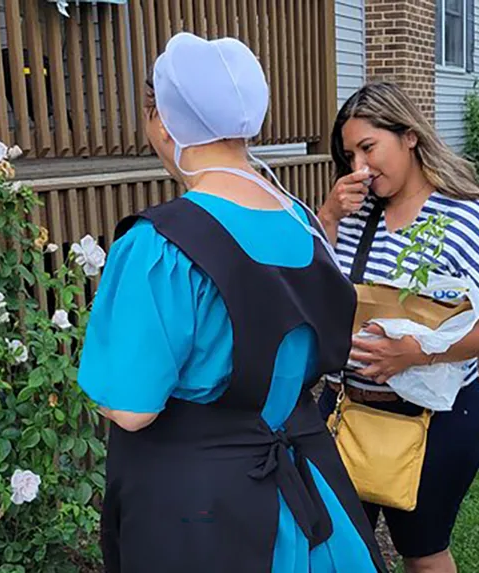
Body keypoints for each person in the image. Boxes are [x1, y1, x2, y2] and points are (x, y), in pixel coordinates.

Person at [77, 33, 387, 573]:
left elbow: (130, 410)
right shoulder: (304, 224)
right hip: (307, 483)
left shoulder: (160, 245)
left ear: (163, 118)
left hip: (201, 512)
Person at [316, 82, 479, 573]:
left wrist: (414, 353)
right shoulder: (354, 215)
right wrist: (326, 216)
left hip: (435, 422)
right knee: (337, 547)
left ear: (408, 136)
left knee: (422, 552)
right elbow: (312, 290)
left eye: (368, 148)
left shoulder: (463, 218)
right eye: (349, 155)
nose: (359, 167)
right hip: (347, 412)